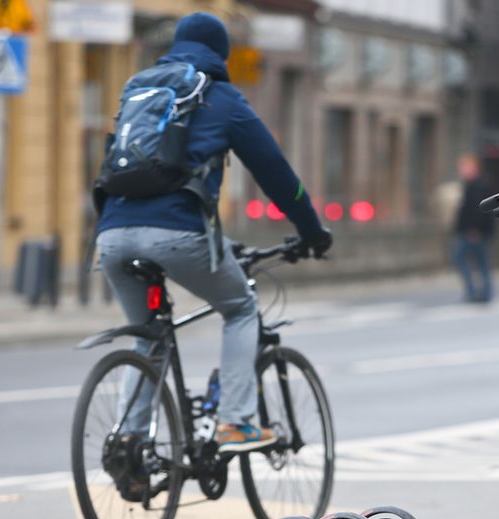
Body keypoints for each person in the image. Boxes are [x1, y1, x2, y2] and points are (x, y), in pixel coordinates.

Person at [96, 12, 332, 455]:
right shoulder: (221, 98)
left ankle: (128, 445)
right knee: (240, 307)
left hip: (111, 233)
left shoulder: (140, 89)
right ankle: (236, 424)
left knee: (146, 332)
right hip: (178, 233)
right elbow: (276, 174)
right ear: (220, 54)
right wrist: (311, 229)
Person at [451, 154, 495, 303]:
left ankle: (477, 292)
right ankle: (481, 292)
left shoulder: (478, 186)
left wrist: (475, 229)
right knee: (479, 261)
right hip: (473, 231)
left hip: (474, 232)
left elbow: (479, 210)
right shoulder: (472, 185)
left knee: (464, 258)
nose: (461, 171)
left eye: (464, 167)